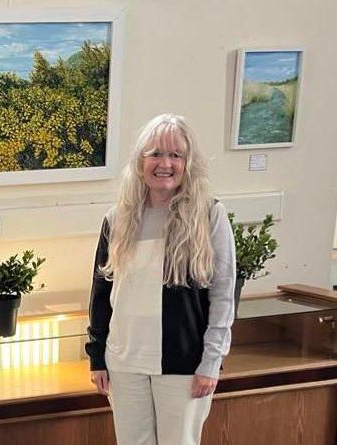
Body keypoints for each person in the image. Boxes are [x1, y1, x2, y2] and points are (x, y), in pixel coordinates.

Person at [85, 113, 236, 445]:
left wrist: (212, 361)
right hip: (124, 361)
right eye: (155, 153)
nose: (164, 163)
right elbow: (101, 293)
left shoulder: (209, 215)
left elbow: (224, 295)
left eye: (175, 155)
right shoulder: (117, 218)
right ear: (141, 161)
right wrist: (97, 355)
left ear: (187, 162)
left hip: (184, 363)